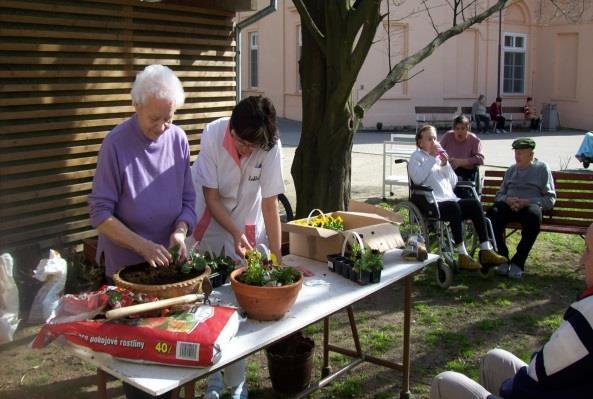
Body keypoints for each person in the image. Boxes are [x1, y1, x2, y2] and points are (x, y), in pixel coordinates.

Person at [88, 64, 196, 399]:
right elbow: (99, 213)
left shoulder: (177, 139)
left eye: (170, 117)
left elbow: (189, 201)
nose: (164, 127)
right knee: (138, 362)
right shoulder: (115, 145)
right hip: (126, 272)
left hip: (168, 272)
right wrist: (143, 246)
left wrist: (180, 232)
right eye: (155, 119)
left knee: (171, 355)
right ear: (136, 106)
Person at [430, 222, 593, 399]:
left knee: (443, 382)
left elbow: (537, 376)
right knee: (494, 359)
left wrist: (503, 392)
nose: (581, 260)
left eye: (589, 251)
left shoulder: (587, 316)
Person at [190, 95, 285, 399]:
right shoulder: (214, 134)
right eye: (242, 142)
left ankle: (236, 384)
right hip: (209, 226)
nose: (247, 150)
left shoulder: (269, 145)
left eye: (252, 147)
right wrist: (232, 232)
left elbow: (270, 204)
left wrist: (277, 258)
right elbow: (212, 196)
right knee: (206, 305)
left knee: (235, 309)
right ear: (231, 128)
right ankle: (212, 381)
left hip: (245, 224)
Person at [409, 125, 507, 270]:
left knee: (474, 204)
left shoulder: (438, 158)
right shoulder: (416, 157)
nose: (434, 142)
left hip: (449, 198)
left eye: (435, 138)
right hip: (431, 201)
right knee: (454, 208)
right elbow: (417, 179)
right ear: (420, 142)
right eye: (429, 139)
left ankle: (486, 249)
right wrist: (431, 158)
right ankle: (462, 254)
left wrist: (445, 165)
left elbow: (454, 182)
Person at [486, 138, 556, 279]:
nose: (517, 156)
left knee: (534, 217)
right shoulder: (511, 170)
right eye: (516, 153)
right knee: (492, 214)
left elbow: (550, 199)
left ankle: (518, 262)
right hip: (509, 206)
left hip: (528, 206)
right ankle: (502, 258)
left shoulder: (542, 169)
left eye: (521, 153)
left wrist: (528, 201)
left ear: (531, 154)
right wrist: (507, 199)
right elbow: (499, 194)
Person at [440, 115, 484, 183]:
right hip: (448, 170)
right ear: (453, 129)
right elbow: (437, 151)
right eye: (457, 129)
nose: (460, 131)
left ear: (467, 129)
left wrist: (461, 162)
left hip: (466, 172)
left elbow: (480, 159)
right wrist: (444, 160)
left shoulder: (474, 140)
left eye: (463, 128)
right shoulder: (448, 136)